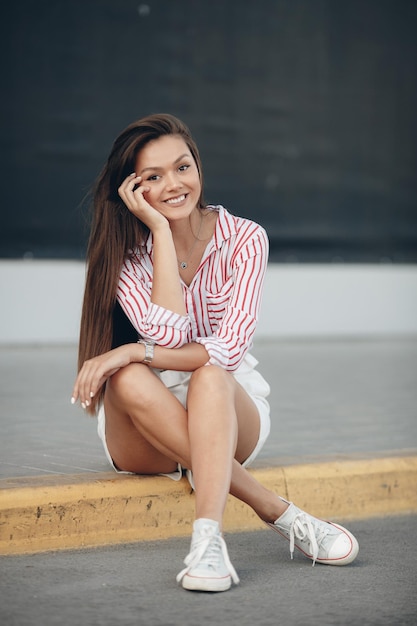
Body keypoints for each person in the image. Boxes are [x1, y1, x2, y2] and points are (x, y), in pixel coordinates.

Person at [71, 113, 359, 593]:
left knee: (208, 372)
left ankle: (208, 543)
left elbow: (224, 351)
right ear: (132, 191)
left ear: (198, 166)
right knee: (127, 377)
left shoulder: (244, 238)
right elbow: (167, 336)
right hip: (144, 427)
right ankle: (275, 509)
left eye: (182, 167)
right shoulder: (125, 255)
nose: (174, 184)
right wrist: (160, 235)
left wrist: (129, 350)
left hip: (227, 408)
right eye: (153, 177)